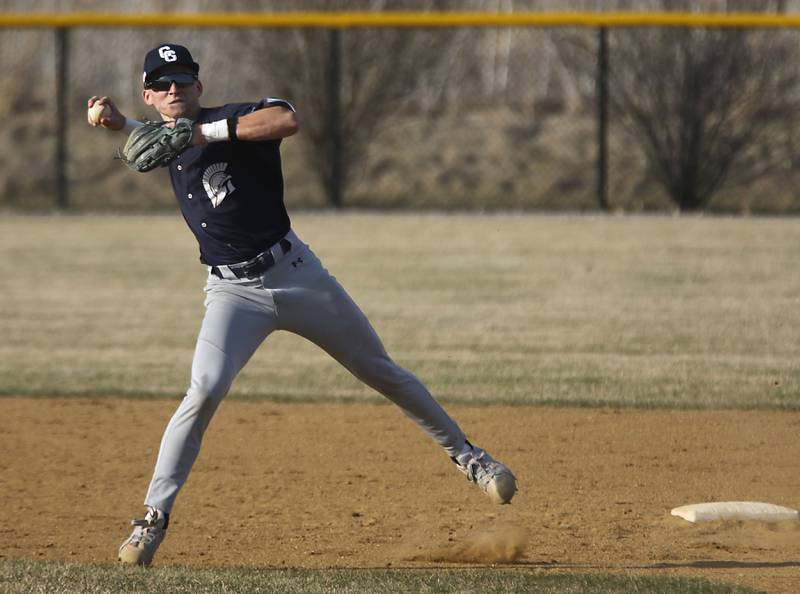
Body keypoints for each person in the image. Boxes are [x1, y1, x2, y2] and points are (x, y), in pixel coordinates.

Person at [88, 43, 516, 567]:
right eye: (163, 84)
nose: (174, 90)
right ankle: (151, 520)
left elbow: (286, 119)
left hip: (297, 275)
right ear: (149, 95)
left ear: (199, 86)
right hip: (231, 294)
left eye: (183, 80)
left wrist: (204, 133)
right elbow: (150, 134)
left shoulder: (231, 119)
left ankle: (472, 459)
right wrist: (114, 121)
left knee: (380, 370)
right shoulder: (160, 134)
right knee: (201, 392)